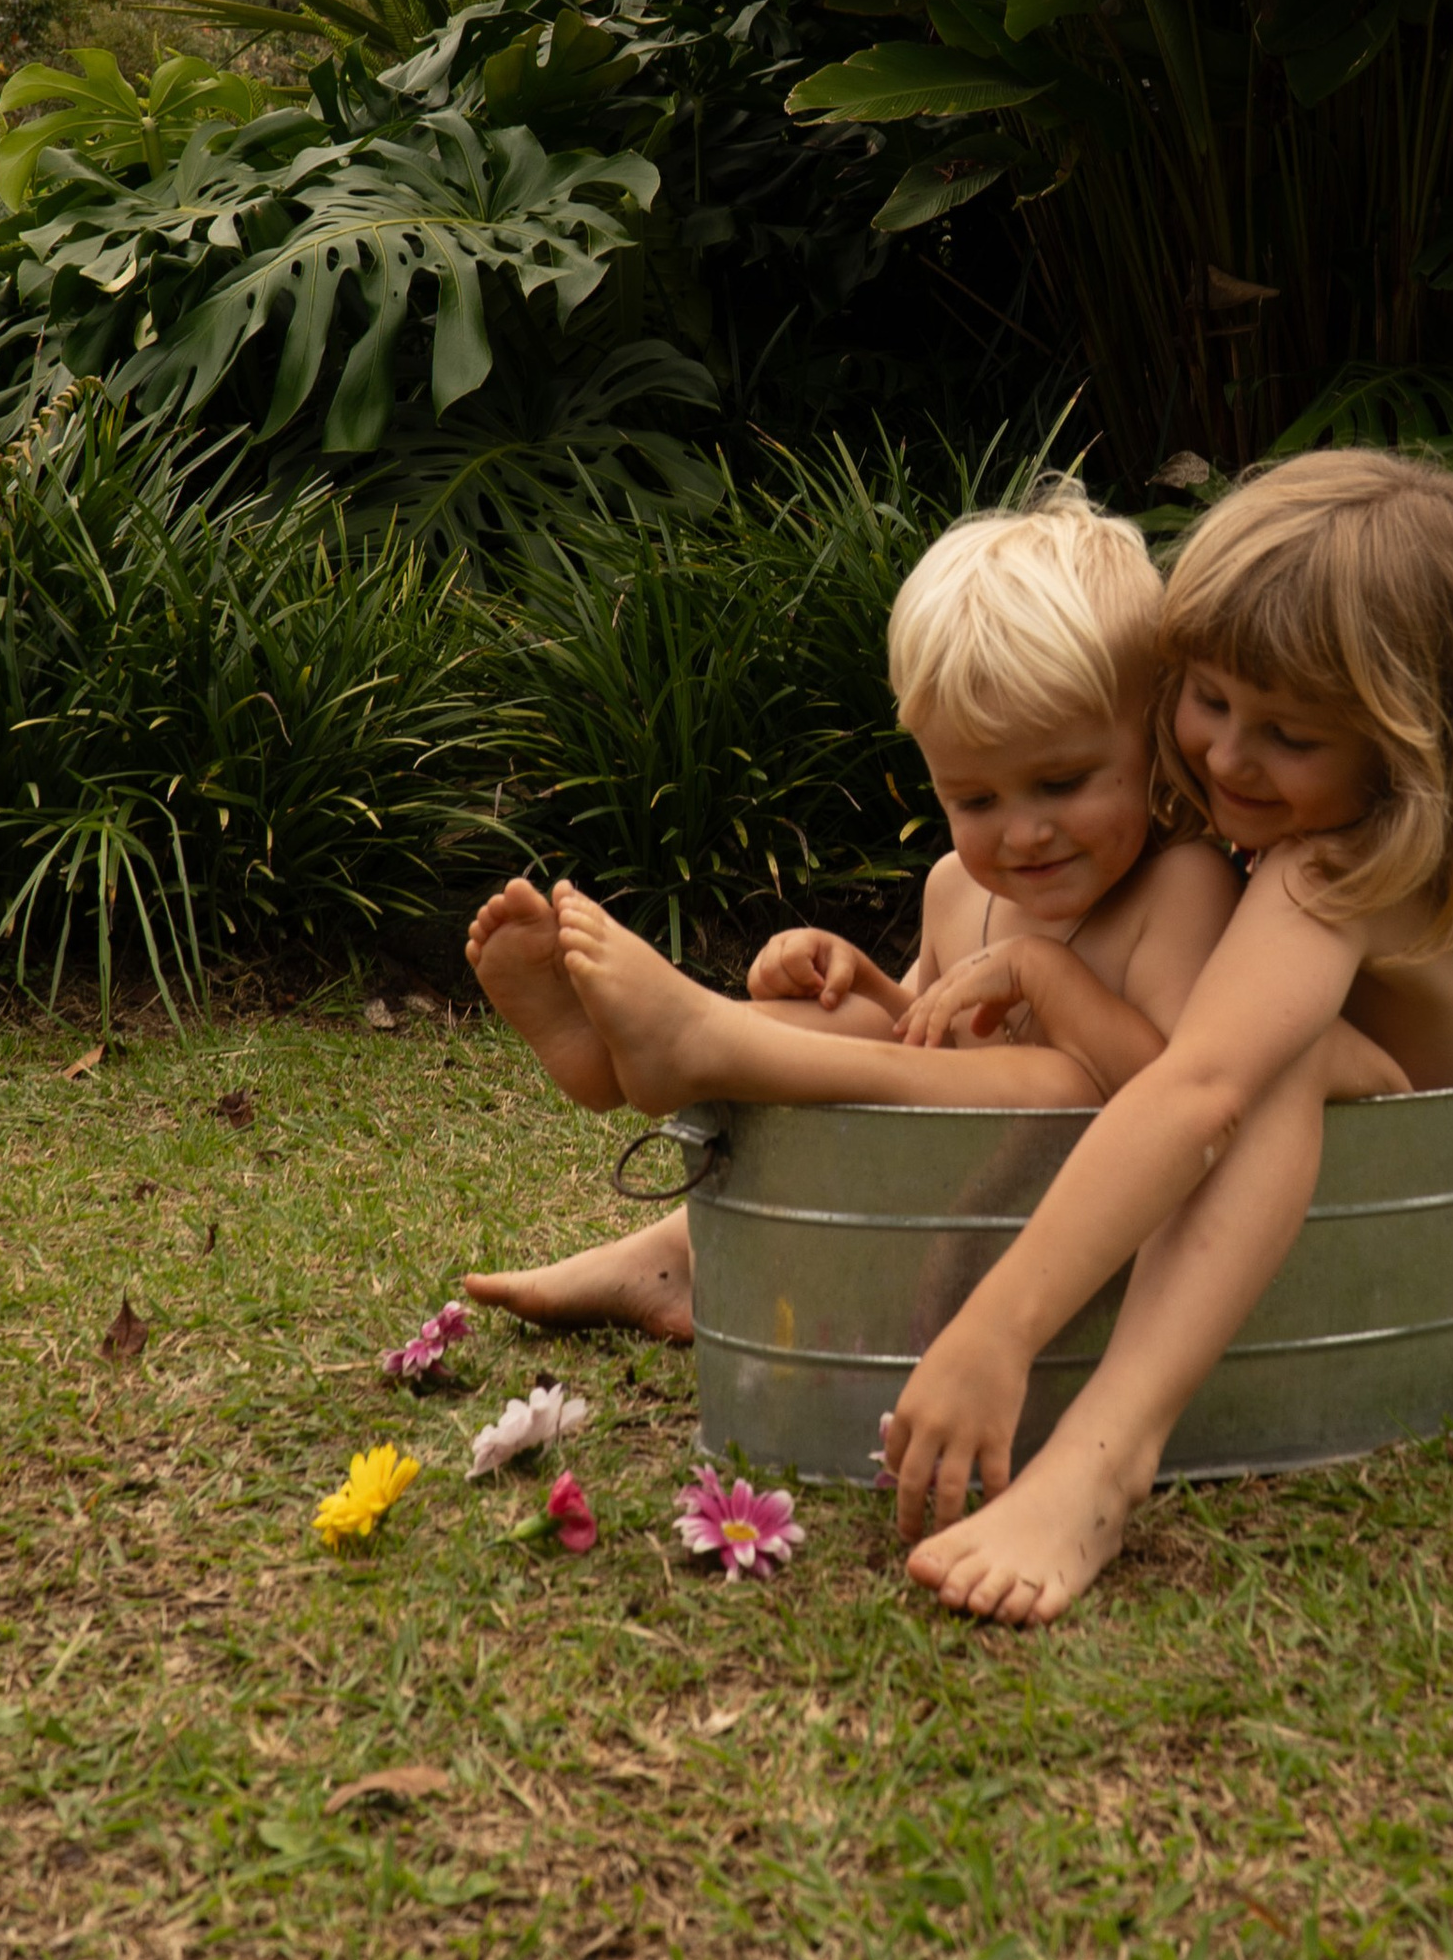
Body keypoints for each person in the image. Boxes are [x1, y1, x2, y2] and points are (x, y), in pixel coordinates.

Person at [881, 446, 1453, 1626]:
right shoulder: (1387, 821)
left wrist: (998, 1326)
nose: (1226, 757)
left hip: (1420, 1265)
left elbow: (1199, 1089)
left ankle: (1106, 1457)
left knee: (1253, 1059)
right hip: (1343, 1222)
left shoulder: (1333, 867)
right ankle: (694, 1237)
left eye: (1288, 736)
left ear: (1409, 742)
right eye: (1205, 701)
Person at [460, 484, 1255, 1340]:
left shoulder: (1181, 889)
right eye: (975, 796)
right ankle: (663, 1149)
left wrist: (1046, 975)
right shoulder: (959, 887)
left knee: (1063, 1081)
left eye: (1061, 783)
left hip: (1088, 1252)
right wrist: (850, 974)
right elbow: (920, 1038)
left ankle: (705, 1043)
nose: (1025, 833)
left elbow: (1178, 1093)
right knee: (854, 1020)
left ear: (1154, 742)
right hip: (947, 1204)